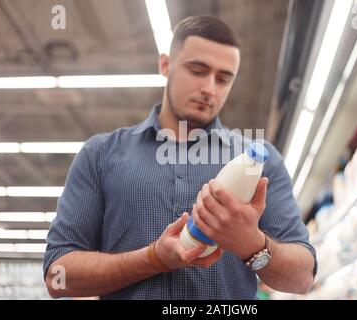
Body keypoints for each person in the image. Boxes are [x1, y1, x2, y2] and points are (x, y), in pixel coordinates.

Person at [43, 15, 317, 300]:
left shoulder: (262, 162)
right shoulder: (100, 155)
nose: (210, 89)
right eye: (197, 70)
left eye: (223, 78)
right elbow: (57, 275)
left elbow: (303, 277)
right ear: (166, 64)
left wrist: (253, 244)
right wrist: (152, 259)